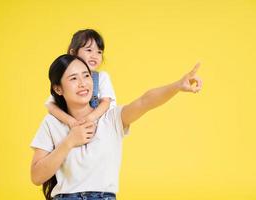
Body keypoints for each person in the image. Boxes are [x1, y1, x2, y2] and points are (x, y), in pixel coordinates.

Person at [30, 54, 202, 200]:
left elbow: (145, 101)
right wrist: (69, 142)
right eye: (74, 78)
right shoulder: (51, 123)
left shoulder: (111, 118)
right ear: (58, 89)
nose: (83, 83)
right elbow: (37, 177)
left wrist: (178, 85)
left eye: (86, 75)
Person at [45, 29, 116, 128]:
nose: (94, 56)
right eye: (89, 50)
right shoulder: (65, 79)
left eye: (99, 52)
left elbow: (105, 103)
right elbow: (50, 105)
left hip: (100, 126)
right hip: (77, 127)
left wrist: (88, 119)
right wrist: (71, 121)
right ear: (73, 53)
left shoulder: (102, 77)